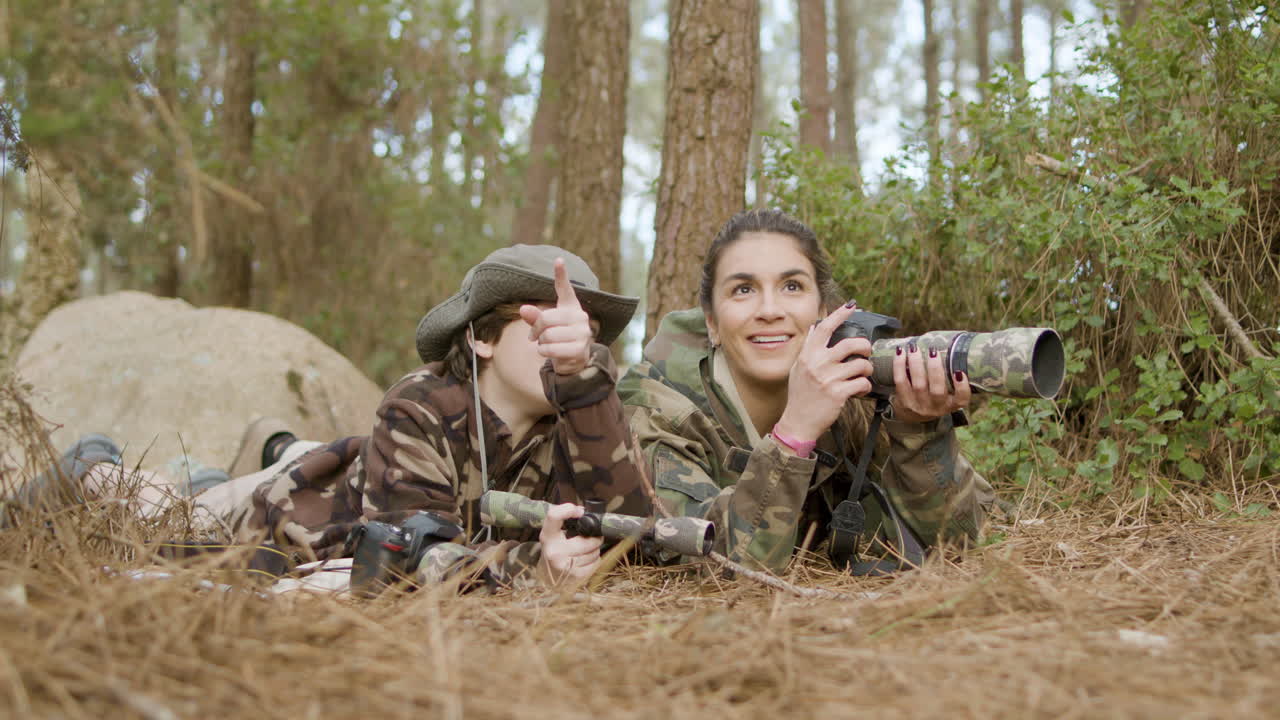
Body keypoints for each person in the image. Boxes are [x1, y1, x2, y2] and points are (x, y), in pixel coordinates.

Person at [13, 245, 652, 590]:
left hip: (342, 483)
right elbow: (408, 559)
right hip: (286, 524)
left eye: (582, 334)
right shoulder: (421, 403)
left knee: (230, 481)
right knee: (163, 514)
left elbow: (637, 537)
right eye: (545, 323)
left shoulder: (584, 420)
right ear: (482, 338)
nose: (565, 344)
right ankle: (95, 464)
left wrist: (584, 383)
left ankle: (257, 453)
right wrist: (537, 569)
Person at [618, 209, 994, 575]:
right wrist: (794, 435)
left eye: (792, 286)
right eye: (743, 289)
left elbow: (959, 544)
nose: (770, 310)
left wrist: (919, 434)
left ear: (823, 311)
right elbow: (715, 564)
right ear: (712, 323)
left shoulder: (853, 393)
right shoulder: (658, 411)